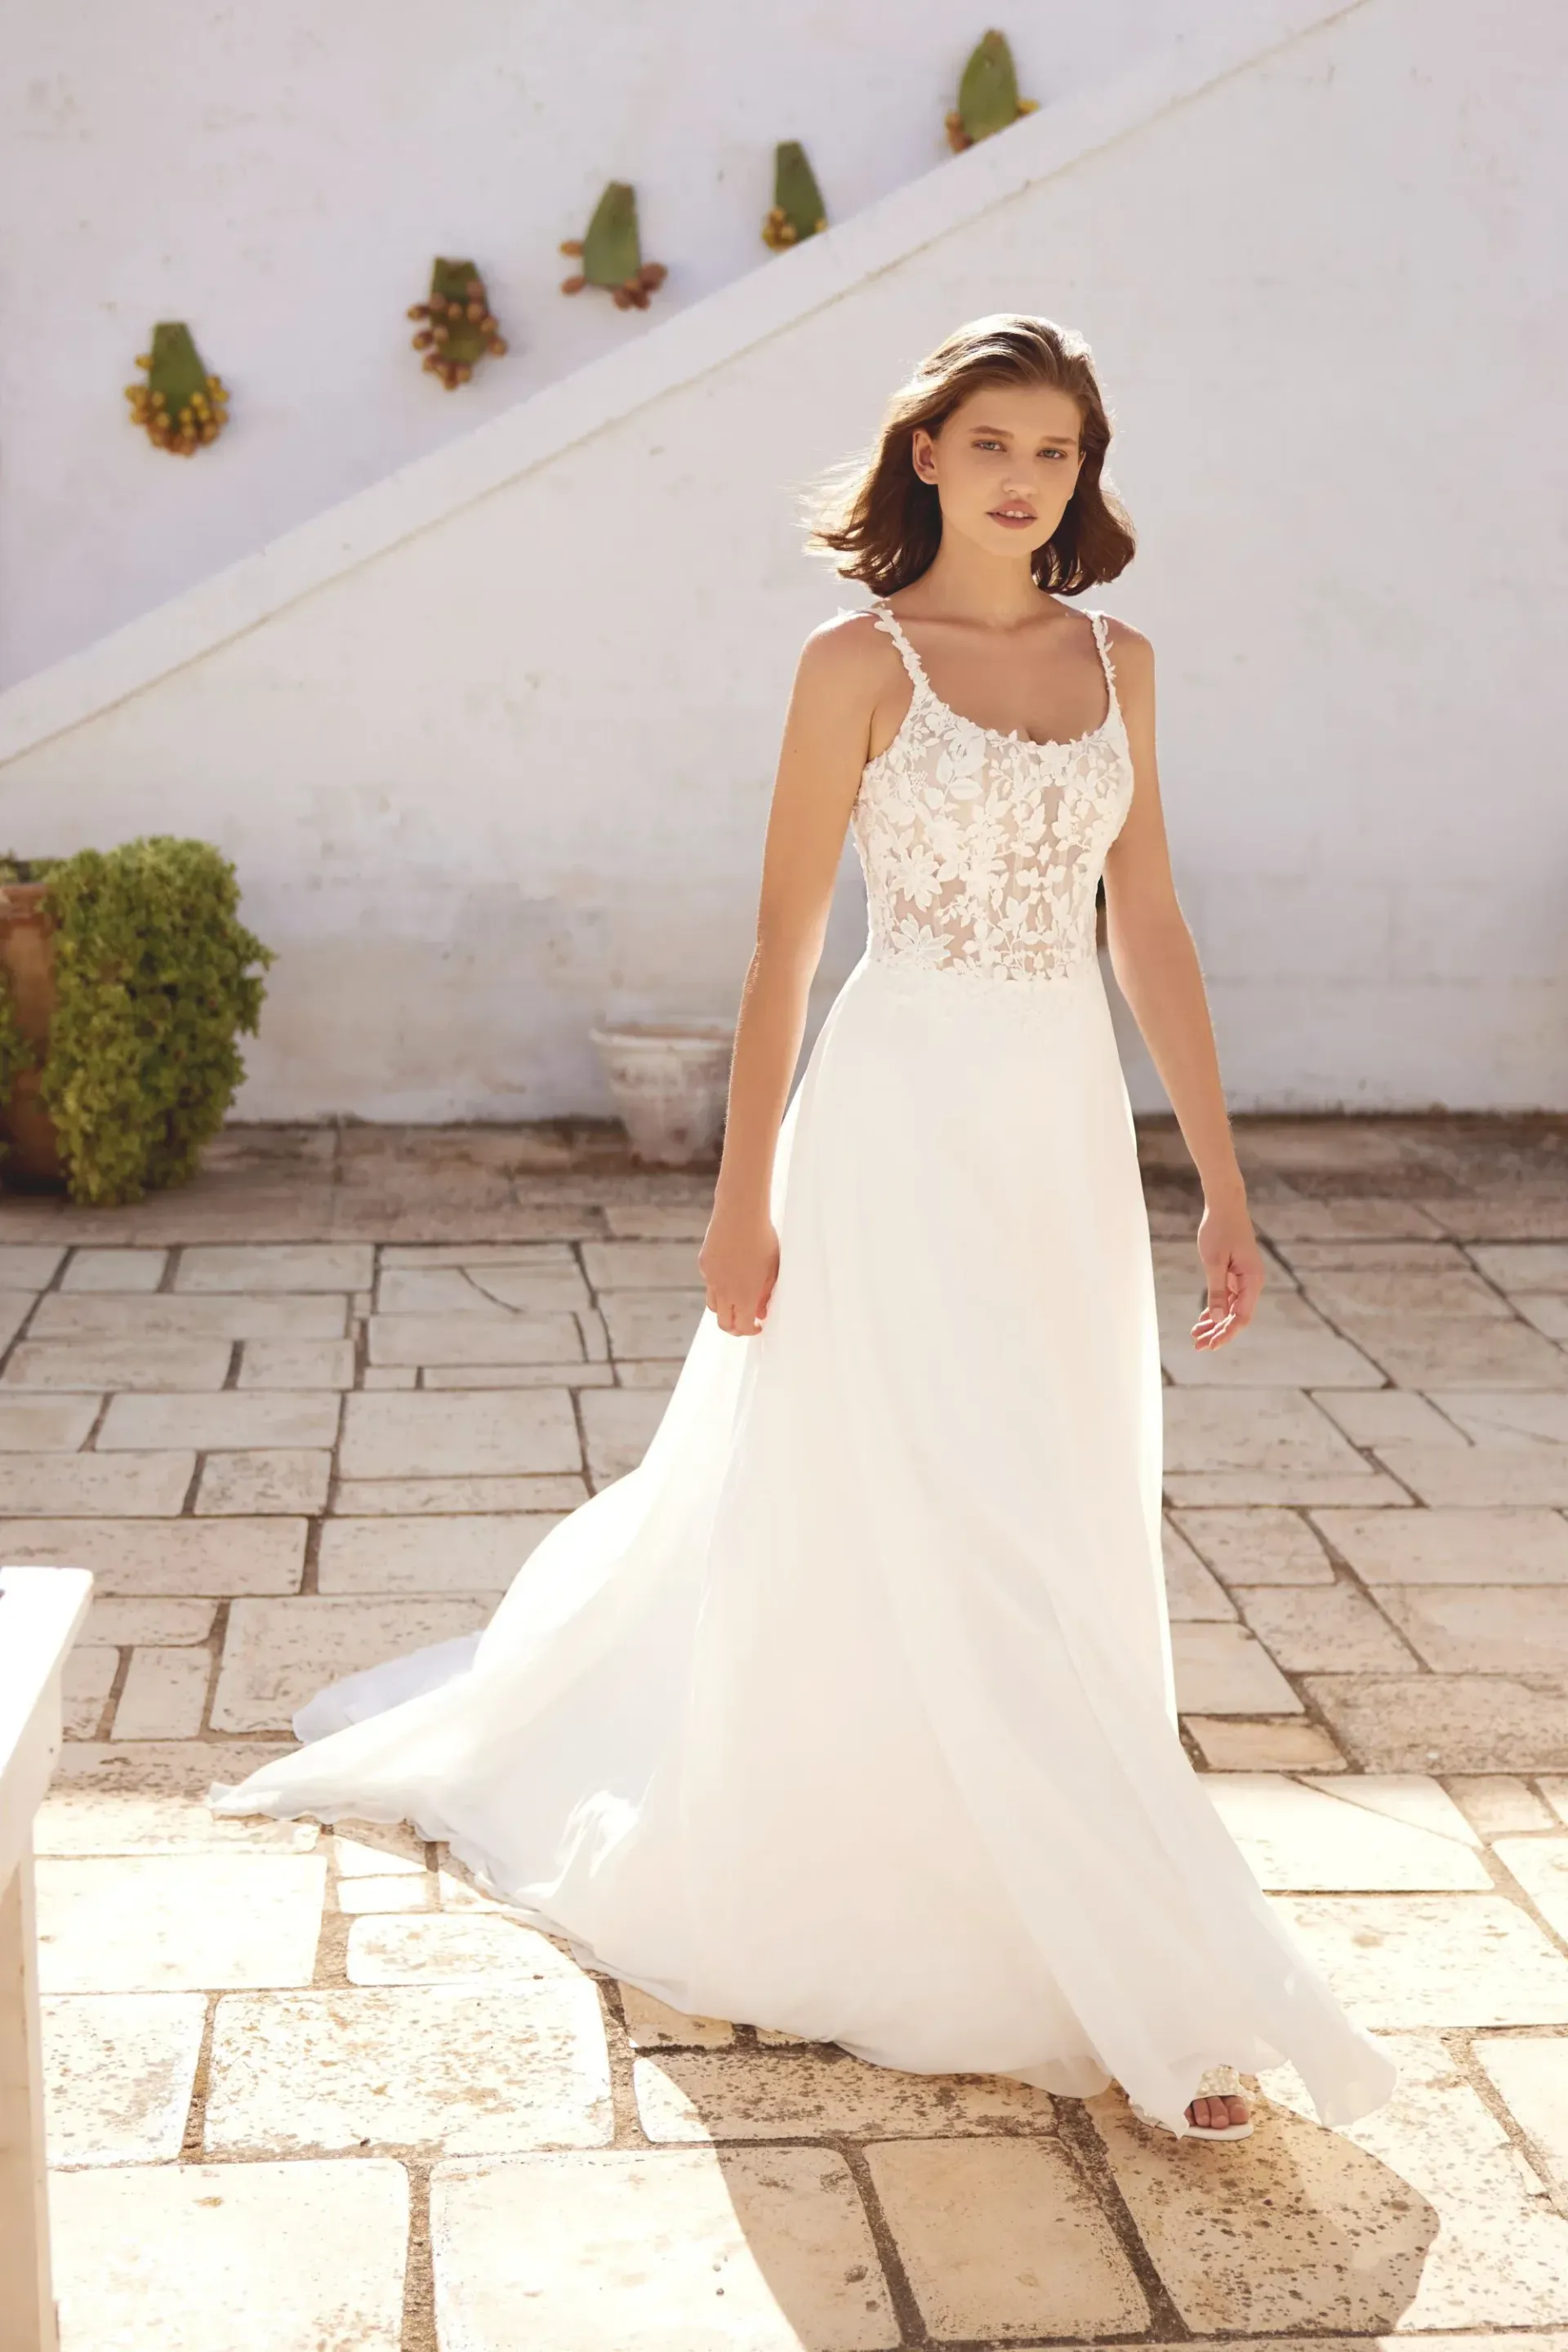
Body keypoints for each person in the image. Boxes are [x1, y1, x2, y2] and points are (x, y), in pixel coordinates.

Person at [212, 314, 1397, 2144]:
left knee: (1053, 1494)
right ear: (925, 454)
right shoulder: (855, 663)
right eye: (992, 443)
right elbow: (781, 946)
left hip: (1056, 1130)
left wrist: (1223, 1176)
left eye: (1058, 454)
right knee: (934, 1495)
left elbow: (1147, 925)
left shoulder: (1121, 660)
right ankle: (1102, 1962)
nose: (1025, 480)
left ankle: (1062, 1880)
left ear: (1086, 476)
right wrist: (738, 1194)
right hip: (898, 1118)